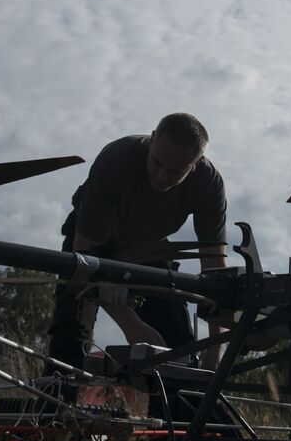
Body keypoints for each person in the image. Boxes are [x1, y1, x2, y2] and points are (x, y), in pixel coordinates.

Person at [47, 113, 227, 372]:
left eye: (176, 172)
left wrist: (215, 344)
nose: (162, 176)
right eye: (157, 163)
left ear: (196, 164)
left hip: (150, 248)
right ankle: (53, 405)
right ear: (152, 140)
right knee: (70, 339)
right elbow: (85, 253)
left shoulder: (210, 185)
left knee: (179, 348)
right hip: (95, 244)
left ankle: (177, 409)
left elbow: (215, 268)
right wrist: (130, 323)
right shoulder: (115, 160)